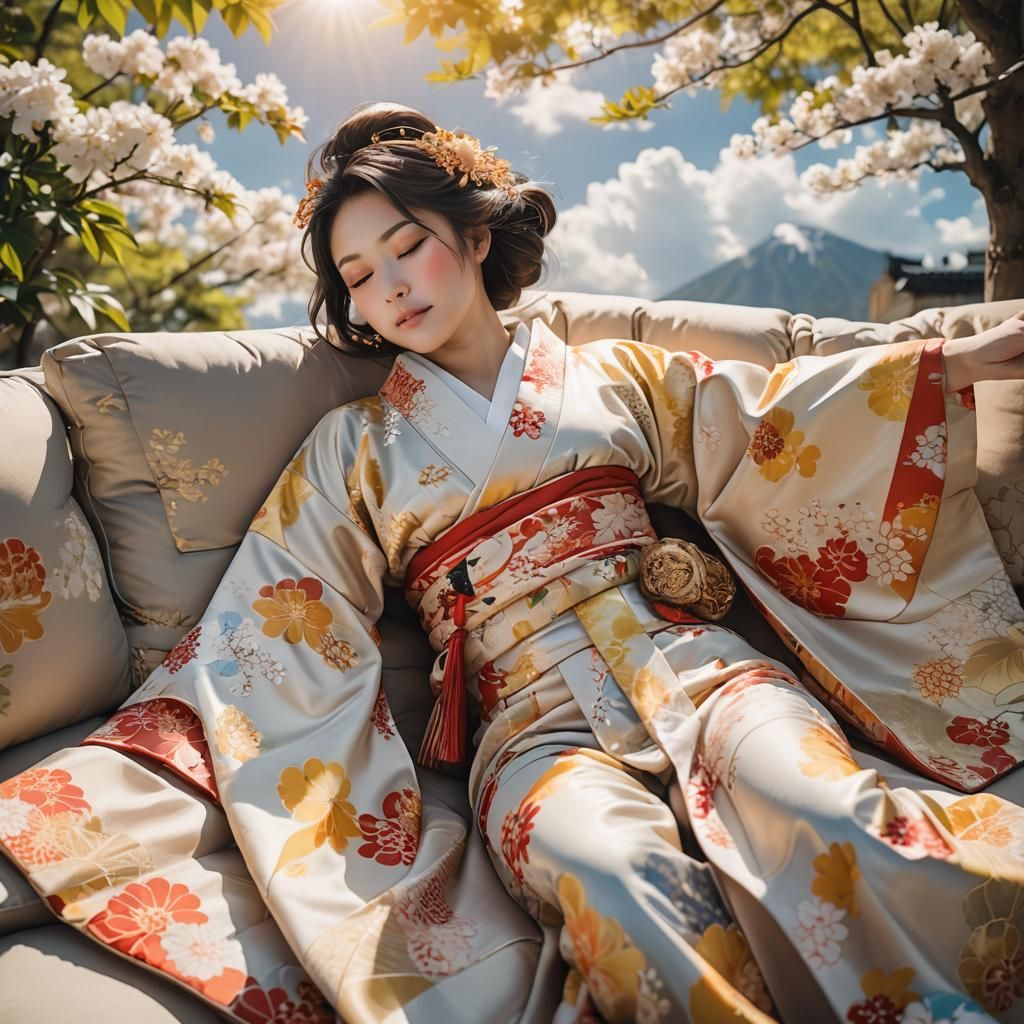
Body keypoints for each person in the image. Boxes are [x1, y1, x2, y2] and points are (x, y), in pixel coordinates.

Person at [3, 98, 1024, 1024]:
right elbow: (278, 615)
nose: (387, 287)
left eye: (406, 247)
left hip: (697, 666)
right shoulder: (353, 448)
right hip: (530, 727)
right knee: (612, 876)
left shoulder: (610, 374)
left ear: (475, 234)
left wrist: (939, 366)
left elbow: (759, 425)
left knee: (816, 811)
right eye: (358, 275)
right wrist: (134, 757)